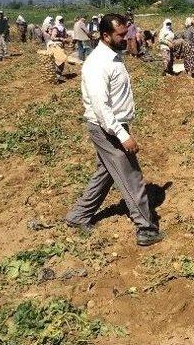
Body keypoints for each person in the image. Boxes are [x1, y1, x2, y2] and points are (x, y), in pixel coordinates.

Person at [66, 13, 164, 246]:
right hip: (107, 128)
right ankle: (145, 228)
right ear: (105, 35)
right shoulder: (98, 63)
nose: (126, 38)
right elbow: (101, 107)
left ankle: (78, 215)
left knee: (106, 173)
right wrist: (122, 134)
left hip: (113, 125)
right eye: (120, 35)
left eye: (126, 32)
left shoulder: (113, 57)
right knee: (132, 177)